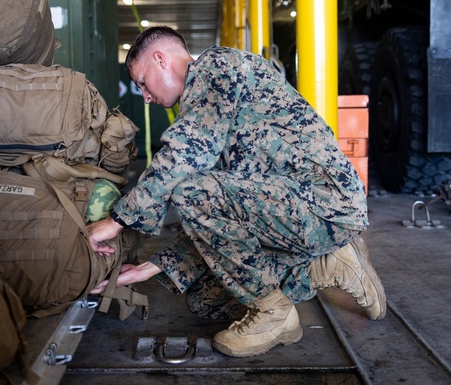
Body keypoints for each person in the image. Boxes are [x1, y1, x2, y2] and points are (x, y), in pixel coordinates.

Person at [87, 26, 385, 357]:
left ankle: (274, 313)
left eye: (143, 82)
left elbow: (186, 162)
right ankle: (326, 264)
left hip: (324, 202)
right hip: (293, 209)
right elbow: (220, 220)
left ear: (161, 59)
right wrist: (151, 267)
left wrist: (115, 222)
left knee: (189, 191)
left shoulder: (217, 66)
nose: (145, 96)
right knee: (205, 299)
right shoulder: (211, 110)